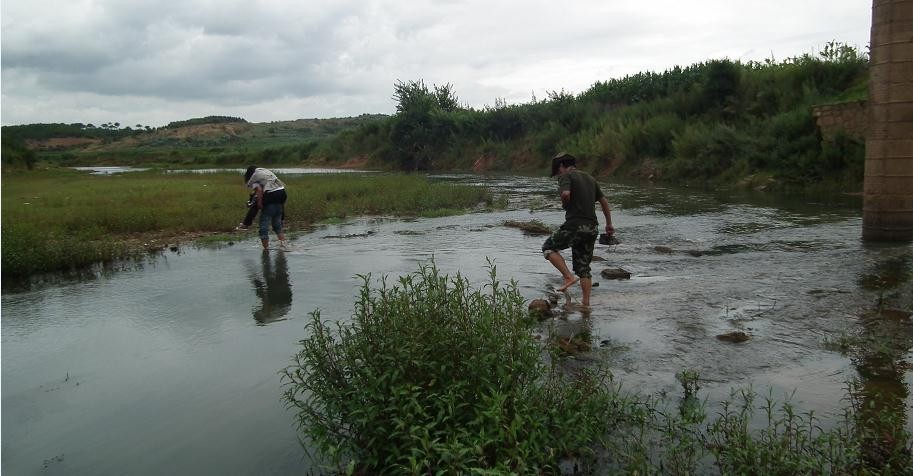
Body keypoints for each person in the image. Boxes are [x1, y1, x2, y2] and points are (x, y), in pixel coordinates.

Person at [542, 152, 614, 307]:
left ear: (562, 166)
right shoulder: (590, 178)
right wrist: (609, 224)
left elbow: (566, 193)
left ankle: (568, 276)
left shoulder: (566, 176)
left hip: (575, 225)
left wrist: (564, 201)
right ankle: (585, 305)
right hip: (592, 228)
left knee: (548, 248)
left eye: (557, 171)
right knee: (584, 268)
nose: (557, 175)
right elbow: (604, 201)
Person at [244, 165, 288, 250]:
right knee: (277, 224)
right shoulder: (265, 171)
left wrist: (259, 203)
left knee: (264, 225)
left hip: (272, 195)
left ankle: (266, 250)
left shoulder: (254, 178)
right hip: (282, 193)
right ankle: (284, 245)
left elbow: (259, 190)